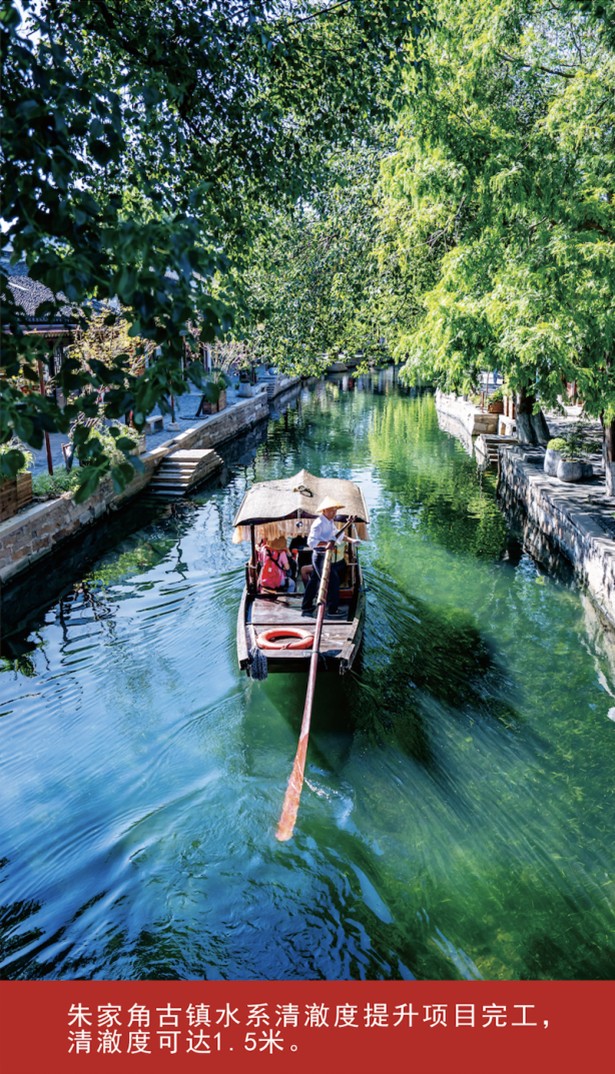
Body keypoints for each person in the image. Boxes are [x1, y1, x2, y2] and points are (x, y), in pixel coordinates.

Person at [301, 497, 357, 616]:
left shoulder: (330, 522)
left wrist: (351, 540)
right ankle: (332, 610)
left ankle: (306, 606)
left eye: (335, 511)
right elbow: (311, 542)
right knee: (333, 581)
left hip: (325, 555)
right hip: (320, 556)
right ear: (324, 511)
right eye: (332, 511)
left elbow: (337, 535)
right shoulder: (319, 523)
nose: (334, 513)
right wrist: (326, 544)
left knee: (315, 580)